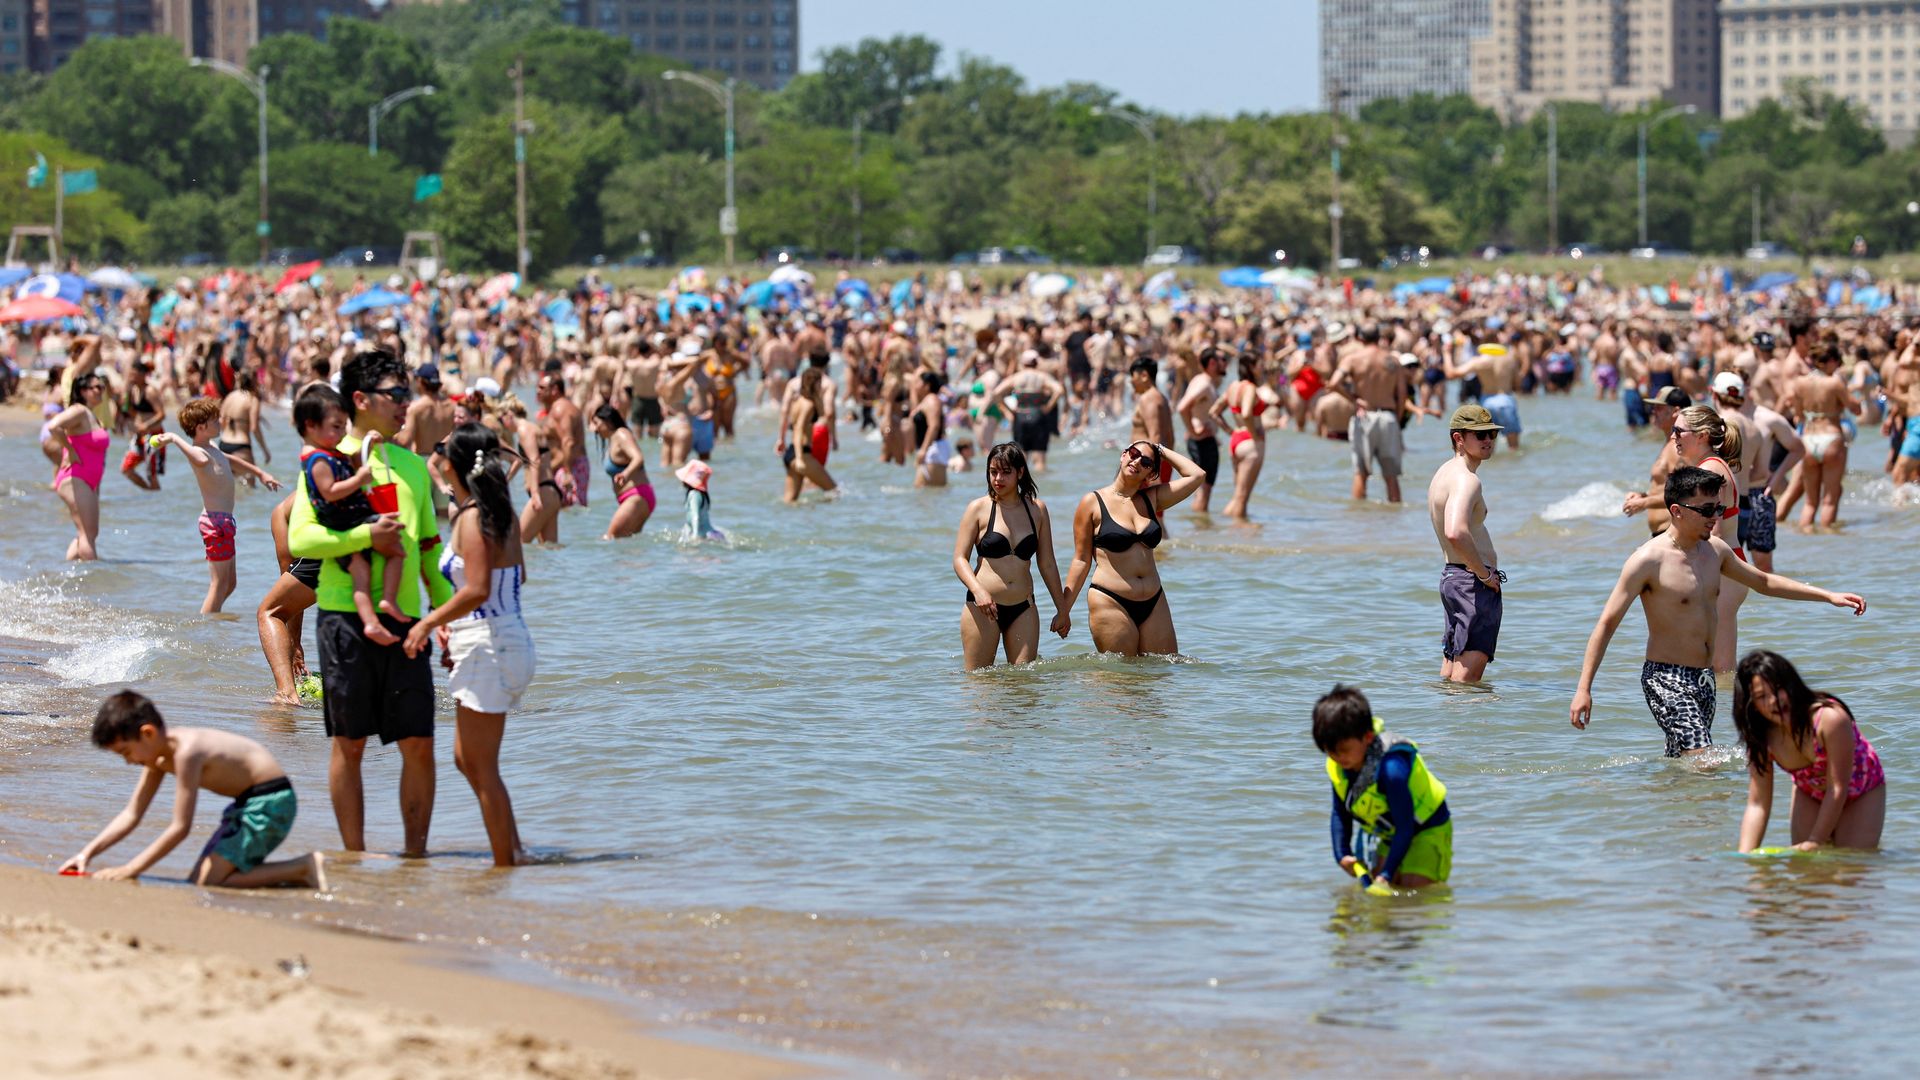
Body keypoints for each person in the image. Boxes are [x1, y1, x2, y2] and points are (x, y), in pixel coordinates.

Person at [1568, 467, 1866, 757]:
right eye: (1706, 510)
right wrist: (1584, 689)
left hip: (1704, 678)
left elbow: (1763, 581)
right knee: (1703, 758)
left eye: (1718, 508)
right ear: (1677, 510)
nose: (1715, 517)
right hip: (1665, 678)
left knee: (1685, 764)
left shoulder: (1715, 551)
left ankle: (1668, 804)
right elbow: (1607, 623)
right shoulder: (1648, 560)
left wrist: (1828, 596)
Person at [288, 349, 452, 857]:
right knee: (350, 743)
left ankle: (415, 858)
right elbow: (301, 539)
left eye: (408, 394)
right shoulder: (327, 456)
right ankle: (355, 856)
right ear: (360, 400)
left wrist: (446, 618)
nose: (407, 404)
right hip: (343, 619)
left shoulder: (413, 467)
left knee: (419, 744)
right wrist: (363, 535)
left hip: (407, 623)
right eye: (396, 395)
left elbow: (428, 552)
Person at [402, 424, 534, 869]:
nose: (435, 456)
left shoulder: (474, 517)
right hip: (499, 634)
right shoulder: (498, 512)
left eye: (442, 451)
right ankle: (514, 852)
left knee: (481, 765)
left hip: (489, 642)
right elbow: (514, 579)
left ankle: (505, 868)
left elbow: (477, 588)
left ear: (455, 465)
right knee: (468, 760)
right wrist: (451, 625)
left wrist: (428, 622)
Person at [59, 690, 326, 889]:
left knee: (208, 882)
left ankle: (302, 868)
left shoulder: (188, 752)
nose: (129, 761)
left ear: (148, 733)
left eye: (126, 752)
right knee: (199, 879)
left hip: (270, 801)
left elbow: (180, 828)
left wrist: (131, 869)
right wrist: (86, 854)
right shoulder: (157, 757)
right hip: (246, 804)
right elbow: (132, 814)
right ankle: (294, 883)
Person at [1062, 441, 1206, 656]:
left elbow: (1197, 475)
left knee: (1161, 674)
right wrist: (1064, 610)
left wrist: (1160, 450)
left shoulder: (1152, 499)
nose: (1137, 461)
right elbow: (1081, 560)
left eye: (1146, 462)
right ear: (1123, 456)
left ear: (1151, 473)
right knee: (1123, 681)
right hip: (1110, 599)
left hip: (1154, 600)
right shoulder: (1092, 502)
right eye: (1133, 453)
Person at [1732, 651, 1885, 852]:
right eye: (1762, 696)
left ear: (1791, 684)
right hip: (1809, 791)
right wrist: (1745, 859)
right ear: (1751, 706)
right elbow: (1757, 804)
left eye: (1778, 689)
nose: (1773, 701)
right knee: (1808, 873)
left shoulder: (1829, 719)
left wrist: (1815, 841)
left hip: (1861, 788)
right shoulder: (1762, 737)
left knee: (1849, 865)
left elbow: (1837, 788)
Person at [295, 386, 413, 645]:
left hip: (346, 522)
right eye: (336, 427)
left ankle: (371, 621)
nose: (341, 433)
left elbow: (355, 460)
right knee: (397, 550)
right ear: (311, 426)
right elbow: (330, 492)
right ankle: (388, 600)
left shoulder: (329, 453)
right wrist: (359, 479)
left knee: (361, 574)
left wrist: (369, 442)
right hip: (345, 520)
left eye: (343, 427)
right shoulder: (317, 460)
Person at [1314, 684, 1452, 892]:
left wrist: (1386, 875)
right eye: (1330, 751)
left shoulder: (1391, 769)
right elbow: (1340, 811)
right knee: (1380, 893)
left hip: (1426, 829)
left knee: (1413, 893)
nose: (1337, 757)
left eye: (1344, 750)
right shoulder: (1340, 766)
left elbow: (1406, 827)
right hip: (1391, 833)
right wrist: (1342, 853)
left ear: (1367, 737)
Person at [153, 396, 282, 614]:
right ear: (201, 428)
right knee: (218, 584)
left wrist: (260, 473)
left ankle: (214, 621)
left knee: (229, 584)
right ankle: (205, 628)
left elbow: (230, 460)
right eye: (215, 420)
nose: (220, 422)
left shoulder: (211, 447)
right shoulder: (199, 453)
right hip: (214, 525)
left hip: (224, 523)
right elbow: (197, 457)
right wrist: (174, 438)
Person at [953, 443, 1069, 669]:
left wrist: (1062, 610)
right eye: (993, 472)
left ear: (1020, 472)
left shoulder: (1037, 510)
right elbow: (959, 558)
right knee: (980, 687)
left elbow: (1047, 564)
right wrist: (978, 591)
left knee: (1023, 688)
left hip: (1024, 607)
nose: (998, 479)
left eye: (1006, 472)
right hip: (983, 607)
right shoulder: (978, 509)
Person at [1428, 405, 1505, 683]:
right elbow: (1455, 531)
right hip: (1471, 583)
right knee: (1466, 688)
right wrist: (1485, 576)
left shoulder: (1444, 473)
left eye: (1491, 434)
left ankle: (1446, 726)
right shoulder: (1466, 480)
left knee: (1450, 678)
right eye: (1480, 435)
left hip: (1453, 578)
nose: (1488, 441)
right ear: (1459, 438)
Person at [1670, 404, 1748, 673]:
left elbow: (1711, 532)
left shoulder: (1711, 470)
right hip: (1729, 567)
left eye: (1679, 431)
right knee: (1718, 665)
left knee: (1721, 668)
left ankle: (1727, 712)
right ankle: (1725, 711)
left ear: (1702, 435)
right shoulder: (1712, 465)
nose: (1673, 437)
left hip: (1723, 569)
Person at [1720, 371, 1802, 574]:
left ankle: (1766, 606)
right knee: (1724, 563)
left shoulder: (1767, 418)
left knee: (1763, 566)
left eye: (1745, 385)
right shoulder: (1721, 418)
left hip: (1758, 494)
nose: (1742, 390)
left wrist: (1774, 479)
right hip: (1728, 495)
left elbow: (1798, 448)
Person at [1329, 325, 1411, 502]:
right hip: (1388, 417)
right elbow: (1402, 394)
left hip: (1364, 416)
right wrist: (1396, 418)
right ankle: (1395, 524)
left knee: (1361, 473)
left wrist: (1353, 399)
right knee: (1392, 476)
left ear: (1360, 339)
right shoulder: (1392, 360)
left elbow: (1333, 383)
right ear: (1379, 337)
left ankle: (1359, 523)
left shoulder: (1352, 359)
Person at [45, 372, 112, 560]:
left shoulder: (92, 415)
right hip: (75, 478)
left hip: (89, 481)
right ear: (83, 391)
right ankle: (93, 583)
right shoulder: (79, 411)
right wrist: (70, 450)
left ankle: (70, 573)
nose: (101, 391)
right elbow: (54, 426)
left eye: (102, 387)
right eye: (96, 387)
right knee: (87, 535)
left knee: (88, 533)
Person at [259, 493, 318, 705]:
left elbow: (289, 574)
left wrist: (295, 643)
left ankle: (286, 694)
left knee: (270, 612)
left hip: (328, 549)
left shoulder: (281, 513)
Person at [1621, 385, 1691, 536]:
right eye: (1653, 407)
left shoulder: (1676, 449)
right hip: (1663, 533)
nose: (1653, 412)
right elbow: (1666, 488)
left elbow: (1683, 494)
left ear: (1675, 411)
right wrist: (1643, 496)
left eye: (1659, 408)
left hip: (1672, 532)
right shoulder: (1668, 444)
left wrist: (1644, 503)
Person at [590, 405, 655, 540]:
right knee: (628, 547)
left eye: (597, 423)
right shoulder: (612, 440)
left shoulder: (621, 434)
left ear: (607, 421)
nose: (595, 429)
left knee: (609, 538)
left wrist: (626, 473)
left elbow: (638, 457)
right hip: (632, 498)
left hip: (637, 497)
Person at [1445, 342, 1522, 450]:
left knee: (1488, 448)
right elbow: (1518, 383)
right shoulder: (1509, 359)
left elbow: (1451, 374)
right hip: (1505, 401)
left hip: (1486, 404)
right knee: (1514, 448)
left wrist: (1446, 353)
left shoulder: (1478, 361)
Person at [1177, 347, 1227, 513]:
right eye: (1223, 360)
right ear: (1212, 363)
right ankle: (1201, 530)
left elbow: (1197, 410)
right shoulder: (1204, 384)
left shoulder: (1201, 380)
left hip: (1202, 440)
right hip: (1202, 441)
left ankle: (1199, 529)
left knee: (1202, 492)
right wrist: (1193, 431)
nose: (1225, 364)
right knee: (1204, 493)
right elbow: (1183, 407)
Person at [781, 366, 836, 503]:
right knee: (834, 491)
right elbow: (798, 429)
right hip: (802, 454)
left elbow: (822, 413)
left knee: (790, 500)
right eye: (819, 383)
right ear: (814, 383)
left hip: (791, 453)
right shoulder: (808, 405)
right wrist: (800, 458)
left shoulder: (798, 401)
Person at [1005, 350, 1064, 473]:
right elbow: (1059, 390)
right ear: (1036, 362)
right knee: (1039, 459)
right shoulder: (1042, 376)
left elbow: (995, 394)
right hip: (1038, 414)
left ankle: (1020, 487)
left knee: (1021, 457)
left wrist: (1008, 411)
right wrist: (1048, 406)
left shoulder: (1016, 377)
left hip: (1020, 415)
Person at [536, 373, 589, 509]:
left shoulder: (561, 408)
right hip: (563, 467)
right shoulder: (555, 409)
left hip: (569, 468)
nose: (538, 391)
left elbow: (568, 441)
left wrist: (567, 473)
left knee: (570, 511)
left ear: (554, 390)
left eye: (542, 388)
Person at [910, 371, 953, 488]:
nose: (915, 384)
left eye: (918, 382)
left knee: (934, 492)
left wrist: (923, 450)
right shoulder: (926, 400)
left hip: (933, 449)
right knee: (922, 491)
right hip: (929, 449)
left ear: (927, 385)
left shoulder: (932, 400)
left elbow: (934, 426)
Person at [677, 460, 725, 540]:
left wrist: (695, 535)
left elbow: (695, 516)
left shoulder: (694, 494)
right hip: (709, 532)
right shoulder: (702, 494)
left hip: (703, 535)